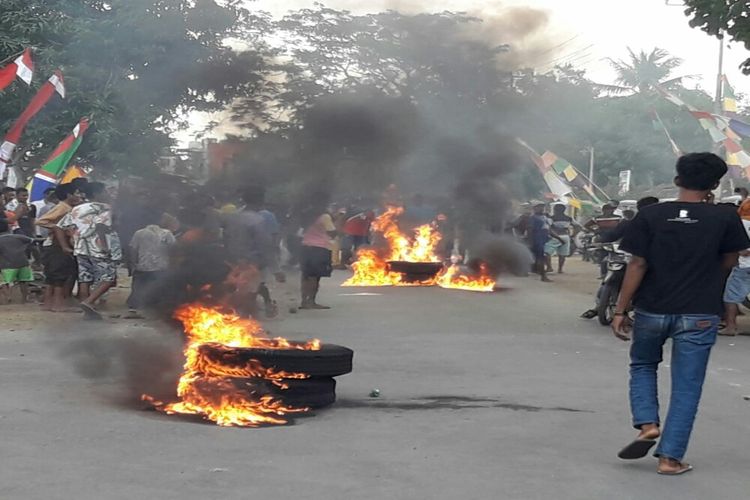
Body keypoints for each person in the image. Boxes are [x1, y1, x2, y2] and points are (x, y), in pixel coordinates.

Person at [612, 153, 750, 475]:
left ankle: (647, 424)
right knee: (687, 385)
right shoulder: (725, 218)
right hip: (699, 313)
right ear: (715, 184)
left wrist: (620, 310)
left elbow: (637, 264)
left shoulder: (650, 215)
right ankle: (670, 459)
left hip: (651, 310)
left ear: (677, 180)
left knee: (644, 365)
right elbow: (730, 261)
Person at [55, 182, 121, 319]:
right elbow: (100, 226)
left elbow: (59, 226)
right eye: (105, 191)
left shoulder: (77, 209)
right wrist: (104, 246)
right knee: (109, 278)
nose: (108, 194)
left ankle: (87, 312)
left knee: (85, 278)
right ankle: (89, 302)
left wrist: (64, 246)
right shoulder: (105, 208)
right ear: (97, 193)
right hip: (99, 249)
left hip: (80, 248)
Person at [222, 185, 277, 317]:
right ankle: (248, 322)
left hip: (233, 261)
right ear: (261, 201)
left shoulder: (233, 217)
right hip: (253, 262)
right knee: (251, 292)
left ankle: (240, 319)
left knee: (238, 289)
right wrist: (275, 267)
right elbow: (265, 245)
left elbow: (225, 237)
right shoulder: (257, 220)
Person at [36, 183, 83, 311]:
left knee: (52, 276)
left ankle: (48, 304)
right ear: (69, 195)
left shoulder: (67, 207)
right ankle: (58, 305)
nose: (79, 196)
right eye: (77, 193)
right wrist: (58, 228)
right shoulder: (64, 207)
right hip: (57, 245)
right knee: (59, 275)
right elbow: (40, 221)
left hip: (55, 244)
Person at [126, 213, 176, 314]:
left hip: (142, 266)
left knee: (138, 286)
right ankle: (155, 305)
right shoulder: (166, 233)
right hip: (161, 267)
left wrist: (133, 264)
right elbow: (174, 249)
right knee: (159, 287)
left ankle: (135, 304)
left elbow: (133, 250)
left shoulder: (139, 233)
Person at [300, 202, 337, 309]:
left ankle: (304, 301)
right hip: (319, 248)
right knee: (315, 277)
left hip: (305, 246)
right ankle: (311, 301)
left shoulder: (306, 214)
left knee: (305, 276)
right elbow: (332, 232)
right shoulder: (324, 216)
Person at [0, 219, 35, 303]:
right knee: (23, 281)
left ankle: (8, 296)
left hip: (7, 264)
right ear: (9, 228)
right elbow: (32, 241)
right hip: (23, 262)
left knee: (3, 282)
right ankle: (24, 299)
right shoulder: (18, 236)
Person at [528, 203, 560, 283]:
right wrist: (531, 241)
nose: (542, 209)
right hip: (537, 240)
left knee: (542, 258)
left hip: (544, 240)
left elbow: (548, 229)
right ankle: (543, 275)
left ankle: (542, 273)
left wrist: (558, 238)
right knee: (540, 258)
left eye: (542, 207)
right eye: (539, 207)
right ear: (534, 209)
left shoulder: (544, 218)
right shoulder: (533, 218)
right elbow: (530, 230)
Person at [544, 204, 579, 274]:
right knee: (562, 254)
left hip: (556, 236)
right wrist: (573, 235)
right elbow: (578, 226)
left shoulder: (552, 218)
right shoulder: (569, 218)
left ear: (555, 210)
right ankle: (560, 269)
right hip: (566, 236)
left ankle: (549, 267)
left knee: (546, 252)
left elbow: (549, 227)